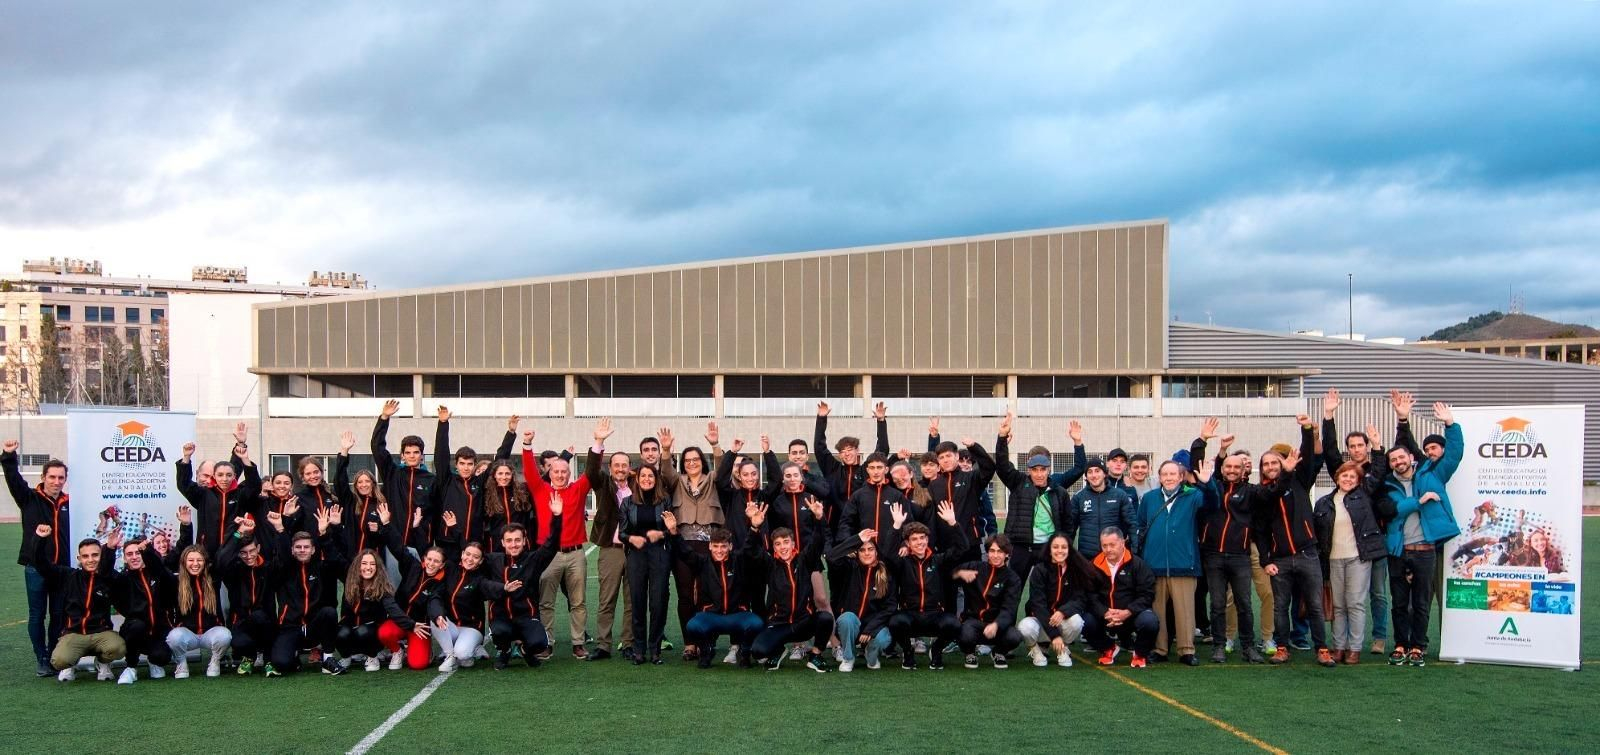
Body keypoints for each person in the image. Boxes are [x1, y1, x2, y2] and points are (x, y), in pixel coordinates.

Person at [1380, 402, 1462, 668]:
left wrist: (1451, 425)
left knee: (1422, 603)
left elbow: (1454, 455)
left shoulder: (1431, 474)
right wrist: (1418, 501)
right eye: (1393, 460)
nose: (1398, 461)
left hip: (1426, 551)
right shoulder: (1386, 485)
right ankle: (1400, 644)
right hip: (1398, 552)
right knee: (1399, 604)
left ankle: (1418, 646)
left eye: (1401, 457)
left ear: (1411, 459)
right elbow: (1391, 511)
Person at [1254, 422, 1336, 668]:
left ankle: (1322, 648)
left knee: (1314, 605)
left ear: (1283, 464)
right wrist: (1266, 561)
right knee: (1281, 606)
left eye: (1274, 463)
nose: (1270, 467)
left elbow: (1310, 455)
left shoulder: (1299, 481)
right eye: (1266, 464)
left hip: (1307, 554)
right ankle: (1281, 648)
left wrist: (1307, 430)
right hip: (1279, 559)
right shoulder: (1260, 493)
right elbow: (1260, 530)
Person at [1321, 387, 1393, 655]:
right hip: (1342, 549)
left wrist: (1378, 447)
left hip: (1371, 544)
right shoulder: (1342, 479)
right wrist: (1328, 417)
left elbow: (1381, 469)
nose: (1355, 449)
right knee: (1343, 601)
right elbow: (1329, 453)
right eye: (1351, 446)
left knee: (1375, 594)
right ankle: (1342, 646)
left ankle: (1378, 638)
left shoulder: (1370, 479)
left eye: (1360, 445)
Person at [1192, 419, 1268, 664]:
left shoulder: (1252, 492)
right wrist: (1203, 440)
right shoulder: (1212, 488)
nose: (1232, 470)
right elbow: (1198, 466)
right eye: (1228, 466)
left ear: (1245, 469)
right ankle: (1218, 645)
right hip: (1213, 554)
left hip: (1240, 556)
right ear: (1222, 469)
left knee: (1245, 603)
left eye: (1237, 467)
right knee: (1216, 603)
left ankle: (1248, 647)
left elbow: (1273, 492)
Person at [522, 423, 598, 661]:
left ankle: (578, 642)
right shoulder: (540, 490)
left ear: (569, 473)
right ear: (550, 472)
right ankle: (547, 643)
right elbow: (529, 471)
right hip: (548, 555)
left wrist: (598, 443)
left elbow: (593, 471)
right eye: (556, 471)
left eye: (564, 471)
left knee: (578, 601)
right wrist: (526, 444)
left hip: (575, 554)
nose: (560, 474)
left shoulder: (578, 489)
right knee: (546, 602)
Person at [1136, 458, 1216, 665]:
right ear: (1159, 477)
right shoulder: (1149, 498)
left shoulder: (1193, 496)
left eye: (1173, 474)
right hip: (1154, 564)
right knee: (1157, 610)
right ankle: (1160, 649)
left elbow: (1213, 504)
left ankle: (1186, 650)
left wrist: (1207, 483)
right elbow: (1141, 525)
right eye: (1165, 474)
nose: (1169, 478)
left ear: (1181, 477)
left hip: (1184, 563)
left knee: (1185, 610)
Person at [5, 439, 72, 677]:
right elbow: (13, 480)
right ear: (43, 477)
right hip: (35, 568)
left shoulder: (69, 503)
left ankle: (54, 655)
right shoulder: (29, 498)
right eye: (52, 477)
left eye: (60, 478)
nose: (56, 481)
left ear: (65, 479)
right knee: (37, 615)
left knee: (58, 614)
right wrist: (9, 456)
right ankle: (41, 658)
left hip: (61, 569)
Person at [744, 499, 834, 672]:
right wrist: (754, 528)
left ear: (793, 544)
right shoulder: (769, 563)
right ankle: (778, 650)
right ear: (773, 548)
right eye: (778, 544)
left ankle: (815, 655)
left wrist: (818, 517)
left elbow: (818, 540)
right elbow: (751, 551)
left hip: (804, 623)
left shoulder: (804, 559)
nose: (783, 547)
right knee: (758, 651)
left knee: (825, 618)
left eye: (786, 542)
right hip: (779, 624)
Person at [658, 424, 724, 662]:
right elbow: (666, 471)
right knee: (685, 595)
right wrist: (666, 450)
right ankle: (689, 643)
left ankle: (705, 639)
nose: (692, 463)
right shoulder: (677, 481)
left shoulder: (712, 479)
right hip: (683, 543)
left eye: (696, 459)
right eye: (687, 460)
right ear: (683, 463)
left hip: (709, 545)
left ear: (702, 461)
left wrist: (715, 444)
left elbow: (724, 468)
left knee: (706, 595)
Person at [1314, 458, 1389, 665]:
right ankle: (1338, 647)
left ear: (1358, 480)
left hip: (1358, 557)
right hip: (1333, 559)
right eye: (1344, 475)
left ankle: (1354, 648)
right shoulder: (1324, 502)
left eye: (1352, 476)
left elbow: (1378, 473)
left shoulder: (1364, 496)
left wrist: (1376, 448)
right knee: (1338, 605)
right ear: (1337, 477)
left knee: (1355, 603)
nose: (1347, 479)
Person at [263, 504, 347, 677]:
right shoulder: (283, 569)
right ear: (292, 550)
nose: (302, 550)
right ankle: (293, 655)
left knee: (329, 612)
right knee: (281, 664)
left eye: (306, 547)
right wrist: (280, 528)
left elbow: (338, 564)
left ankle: (328, 659)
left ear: (313, 550)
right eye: (298, 547)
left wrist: (324, 535)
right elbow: (282, 556)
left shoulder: (320, 568)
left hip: (314, 626)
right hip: (290, 627)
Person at [884, 502, 968, 670]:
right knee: (895, 622)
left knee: (955, 625)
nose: (919, 542)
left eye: (922, 538)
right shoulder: (903, 562)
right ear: (907, 543)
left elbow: (963, 547)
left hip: (935, 615)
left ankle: (936, 650)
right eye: (914, 539)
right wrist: (896, 525)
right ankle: (908, 653)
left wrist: (953, 523)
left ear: (928, 539)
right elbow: (887, 553)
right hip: (910, 615)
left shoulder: (939, 560)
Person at [35, 524, 124, 682]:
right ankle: (70, 664)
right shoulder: (68, 576)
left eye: (95, 555)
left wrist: (109, 549)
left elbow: (107, 573)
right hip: (74, 633)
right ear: (79, 559)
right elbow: (42, 566)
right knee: (59, 660)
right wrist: (40, 540)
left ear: (101, 556)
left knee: (118, 648)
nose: (90, 560)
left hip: (101, 633)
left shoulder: (110, 578)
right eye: (85, 556)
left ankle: (102, 663)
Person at [992, 412, 1072, 581]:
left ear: (1049, 469)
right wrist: (1002, 437)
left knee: (1049, 589)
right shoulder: (1019, 483)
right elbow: (1002, 466)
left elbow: (1068, 524)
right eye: (1035, 469)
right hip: (1021, 547)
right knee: (1013, 588)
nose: (1039, 474)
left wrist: (1063, 546)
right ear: (1029, 469)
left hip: (1047, 547)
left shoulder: (1059, 492)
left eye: (1043, 469)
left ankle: (1037, 609)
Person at [483, 506, 565, 669]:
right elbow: (479, 578)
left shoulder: (533, 560)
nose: (513, 545)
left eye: (517, 540)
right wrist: (502, 588)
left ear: (524, 540)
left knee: (540, 643)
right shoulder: (492, 561)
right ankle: (504, 650)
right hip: (501, 617)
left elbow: (552, 543)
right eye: (509, 541)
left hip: (526, 617)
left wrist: (557, 516)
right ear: (502, 543)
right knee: (500, 632)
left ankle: (525, 650)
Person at [432, 408, 518, 561]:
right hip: (448, 540)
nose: (466, 467)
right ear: (456, 465)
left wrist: (510, 433)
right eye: (462, 463)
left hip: (473, 542)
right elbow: (441, 454)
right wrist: (443, 424)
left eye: (470, 464)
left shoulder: (479, 482)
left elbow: (498, 460)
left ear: (474, 465)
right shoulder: (447, 481)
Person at [377, 501, 446, 670]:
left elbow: (434, 602)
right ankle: (397, 650)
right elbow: (399, 549)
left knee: (417, 664)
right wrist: (386, 524)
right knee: (384, 633)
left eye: (436, 561)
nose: (431, 563)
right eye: (429, 559)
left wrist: (437, 616)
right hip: (401, 620)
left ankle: (424, 650)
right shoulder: (413, 566)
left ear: (442, 565)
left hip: (419, 626)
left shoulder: (440, 582)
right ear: (424, 559)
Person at [586, 434, 637, 662]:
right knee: (607, 600)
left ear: (629, 468)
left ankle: (628, 643)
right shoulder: (603, 483)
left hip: (635, 551)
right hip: (611, 549)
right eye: (616, 465)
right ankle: (603, 645)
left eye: (624, 465)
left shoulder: (638, 485)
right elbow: (591, 471)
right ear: (610, 466)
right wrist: (598, 442)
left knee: (632, 600)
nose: (620, 468)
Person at [176, 429, 262, 557]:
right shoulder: (203, 494)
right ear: (214, 477)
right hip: (206, 552)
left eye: (228, 475)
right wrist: (186, 457)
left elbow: (255, 486)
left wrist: (244, 457)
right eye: (220, 475)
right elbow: (183, 484)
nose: (224, 479)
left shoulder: (240, 494)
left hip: (233, 548)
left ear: (234, 476)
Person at [1083, 527, 1159, 668]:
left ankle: (1140, 654)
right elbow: (1089, 595)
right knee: (1083, 621)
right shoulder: (1093, 565)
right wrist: (1105, 612)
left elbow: (1147, 594)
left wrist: (1127, 612)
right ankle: (1108, 648)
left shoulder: (1138, 564)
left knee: (1150, 621)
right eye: (1104, 545)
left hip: (1130, 615)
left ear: (1122, 543)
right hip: (1105, 616)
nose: (1108, 549)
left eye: (1112, 545)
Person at [825, 527, 899, 672]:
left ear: (876, 552)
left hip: (873, 626)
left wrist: (870, 629)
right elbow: (831, 557)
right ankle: (848, 657)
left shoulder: (885, 574)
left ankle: (871, 655)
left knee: (884, 638)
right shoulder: (848, 568)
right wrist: (857, 539)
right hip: (851, 626)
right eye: (862, 550)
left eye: (870, 549)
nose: (866, 553)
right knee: (846, 618)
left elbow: (890, 607)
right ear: (856, 553)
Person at [335, 549, 421, 672]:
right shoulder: (350, 582)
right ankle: (346, 657)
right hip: (353, 629)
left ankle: (372, 656)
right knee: (340, 632)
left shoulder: (382, 587)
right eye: (364, 563)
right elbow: (335, 556)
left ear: (377, 567)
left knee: (363, 631)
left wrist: (411, 625)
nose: (368, 567)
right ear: (357, 566)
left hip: (371, 633)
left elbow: (393, 609)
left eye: (372, 564)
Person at [428, 541, 509, 671]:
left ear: (481, 561)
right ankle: (450, 655)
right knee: (434, 617)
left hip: (471, 628)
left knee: (463, 654)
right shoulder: (450, 569)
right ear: (462, 554)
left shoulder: (480, 579)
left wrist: (504, 587)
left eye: (476, 557)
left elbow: (490, 586)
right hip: (452, 626)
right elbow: (436, 595)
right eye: (468, 554)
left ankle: (470, 649)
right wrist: (438, 614)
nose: (470, 559)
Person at [621, 465, 673, 665]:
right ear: (637, 479)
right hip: (636, 555)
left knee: (658, 602)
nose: (646, 479)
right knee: (638, 602)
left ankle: (655, 650)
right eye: (643, 475)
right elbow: (622, 532)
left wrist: (661, 533)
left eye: (650, 475)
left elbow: (672, 529)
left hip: (659, 554)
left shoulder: (665, 501)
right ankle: (639, 649)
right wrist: (632, 539)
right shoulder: (627, 503)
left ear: (656, 479)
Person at [113, 527, 179, 684]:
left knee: (161, 657)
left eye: (138, 553)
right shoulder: (122, 579)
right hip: (135, 629)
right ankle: (131, 668)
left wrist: (148, 553)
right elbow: (118, 600)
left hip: (158, 630)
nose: (134, 557)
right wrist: (109, 549)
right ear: (124, 558)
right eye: (130, 554)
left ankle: (153, 662)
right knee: (137, 626)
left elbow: (166, 577)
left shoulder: (157, 574)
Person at [1018, 534, 1093, 667]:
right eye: (1055, 547)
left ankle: (1062, 648)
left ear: (1069, 549)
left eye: (1064, 547)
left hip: (1061, 620)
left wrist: (1063, 612)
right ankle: (1035, 650)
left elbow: (1080, 599)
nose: (1060, 551)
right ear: (1049, 549)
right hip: (1041, 621)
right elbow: (1037, 605)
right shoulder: (1040, 570)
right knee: (1025, 627)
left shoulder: (1075, 570)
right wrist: (1054, 635)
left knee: (1077, 621)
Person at [372, 399, 438, 551]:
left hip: (421, 543)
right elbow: (377, 447)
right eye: (407, 453)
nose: (412, 456)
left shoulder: (431, 480)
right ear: (402, 455)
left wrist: (425, 533)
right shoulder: (393, 474)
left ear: (422, 455)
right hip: (394, 541)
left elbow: (435, 512)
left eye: (416, 452)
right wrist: (384, 418)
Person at [216, 515, 276, 675]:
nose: (248, 556)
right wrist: (237, 532)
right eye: (243, 553)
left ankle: (269, 660)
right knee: (238, 641)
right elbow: (222, 558)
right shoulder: (233, 569)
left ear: (258, 548)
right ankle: (248, 657)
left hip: (266, 621)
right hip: (241, 621)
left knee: (260, 617)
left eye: (251, 551)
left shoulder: (269, 568)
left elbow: (284, 555)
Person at [953, 535, 1024, 669]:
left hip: (997, 625)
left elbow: (1009, 609)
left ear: (1007, 554)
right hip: (973, 622)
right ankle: (969, 653)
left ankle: (998, 652)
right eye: (992, 551)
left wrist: (997, 624)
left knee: (1014, 637)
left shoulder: (1013, 579)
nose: (995, 555)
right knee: (963, 633)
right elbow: (949, 573)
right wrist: (959, 574)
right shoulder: (975, 567)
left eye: (1000, 551)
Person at [167, 542, 233, 679]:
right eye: (191, 560)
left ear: (205, 562)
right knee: (174, 637)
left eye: (199, 560)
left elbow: (225, 555)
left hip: (210, 632)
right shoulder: (176, 581)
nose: (195, 564)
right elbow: (159, 569)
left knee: (225, 635)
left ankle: (215, 660)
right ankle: (181, 662)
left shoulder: (213, 578)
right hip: (187, 634)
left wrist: (238, 534)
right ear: (184, 562)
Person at [1066, 460, 1137, 559]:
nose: (1093, 475)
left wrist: (1134, 551)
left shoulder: (1119, 495)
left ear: (1104, 474)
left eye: (1097, 471)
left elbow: (1132, 524)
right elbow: (1070, 528)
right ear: (1086, 476)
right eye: (1090, 472)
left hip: (1113, 556)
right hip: (1088, 557)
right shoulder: (1079, 497)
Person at [482, 460, 534, 555]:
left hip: (520, 543)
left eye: (507, 474)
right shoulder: (486, 494)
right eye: (500, 473)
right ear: (494, 475)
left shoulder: (522, 491)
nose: (504, 477)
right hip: (497, 544)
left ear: (512, 475)